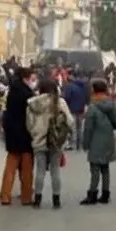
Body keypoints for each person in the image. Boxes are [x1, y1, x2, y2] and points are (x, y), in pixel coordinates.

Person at [27, 78, 74, 209]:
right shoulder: (60, 102)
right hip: (56, 141)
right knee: (55, 170)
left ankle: (37, 199)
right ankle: (56, 199)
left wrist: (35, 133)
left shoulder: (33, 103)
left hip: (39, 139)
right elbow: (69, 121)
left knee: (40, 170)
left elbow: (29, 123)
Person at [0, 67, 37, 205]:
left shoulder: (12, 91)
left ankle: (5, 195)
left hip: (12, 133)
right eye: (32, 78)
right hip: (25, 133)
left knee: (10, 166)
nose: (33, 81)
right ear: (25, 78)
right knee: (27, 168)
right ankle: (26, 196)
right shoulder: (27, 94)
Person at [80, 79, 116, 206]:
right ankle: (105, 194)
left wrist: (85, 144)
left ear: (94, 91)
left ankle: (92, 194)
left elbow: (88, 128)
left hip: (96, 140)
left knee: (95, 169)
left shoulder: (93, 108)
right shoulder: (112, 104)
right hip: (108, 138)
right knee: (105, 168)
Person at [62, 74, 88, 150]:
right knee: (80, 126)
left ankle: (72, 143)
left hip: (72, 109)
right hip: (81, 109)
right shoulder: (82, 86)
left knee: (72, 126)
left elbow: (67, 97)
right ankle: (80, 142)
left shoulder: (69, 87)